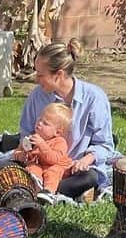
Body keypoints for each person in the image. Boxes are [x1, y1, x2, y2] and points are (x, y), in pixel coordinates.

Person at [14, 39, 117, 199]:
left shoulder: (94, 97)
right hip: (40, 164)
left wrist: (86, 160)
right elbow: (25, 131)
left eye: (41, 75)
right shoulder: (36, 96)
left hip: (73, 168)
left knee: (90, 177)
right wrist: (24, 149)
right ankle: (46, 189)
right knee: (3, 166)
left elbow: (105, 144)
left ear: (59, 75)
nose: (36, 79)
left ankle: (39, 189)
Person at [21, 102, 73, 195]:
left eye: (45, 123)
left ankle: (48, 191)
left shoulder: (59, 142)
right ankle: (35, 184)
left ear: (57, 132)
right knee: (32, 167)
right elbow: (18, 151)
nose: (40, 123)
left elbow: (54, 159)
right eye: (40, 119)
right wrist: (22, 155)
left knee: (52, 172)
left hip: (57, 166)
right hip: (40, 167)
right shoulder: (32, 137)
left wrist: (42, 145)